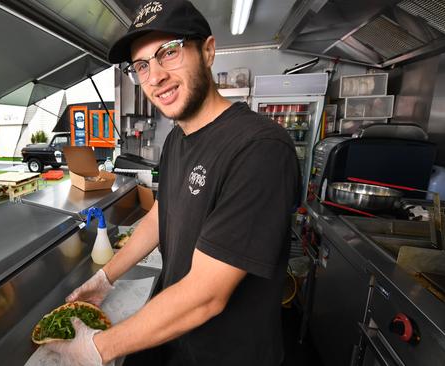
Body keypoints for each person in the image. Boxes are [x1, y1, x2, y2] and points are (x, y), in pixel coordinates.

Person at [43, 1, 300, 365]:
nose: (156, 77)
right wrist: (105, 279)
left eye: (170, 52)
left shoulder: (260, 149)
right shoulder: (177, 140)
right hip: (181, 342)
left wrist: (97, 348)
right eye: (142, 66)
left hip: (231, 354)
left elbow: (206, 295)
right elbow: (160, 217)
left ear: (208, 51)